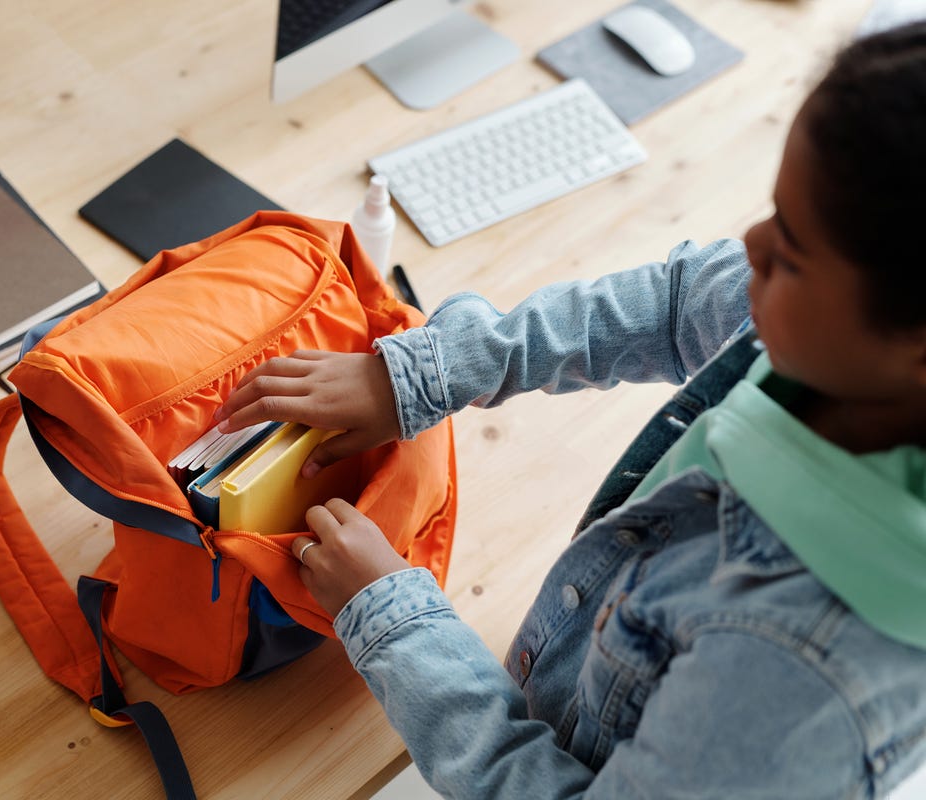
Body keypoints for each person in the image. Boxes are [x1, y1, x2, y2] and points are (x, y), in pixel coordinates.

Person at [214, 22, 926, 799]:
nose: (747, 242)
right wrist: (425, 374)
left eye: (789, 250)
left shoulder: (790, 679)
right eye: (772, 212)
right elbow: (677, 303)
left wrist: (391, 621)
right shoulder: (851, 361)